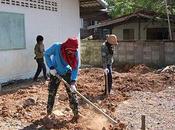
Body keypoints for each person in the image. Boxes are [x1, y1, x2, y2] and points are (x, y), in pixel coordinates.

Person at [44, 37, 80, 122]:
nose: (72, 53)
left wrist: (73, 82)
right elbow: (46, 54)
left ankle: (76, 114)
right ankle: (48, 113)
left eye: (73, 51)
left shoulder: (75, 52)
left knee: (72, 93)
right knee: (52, 92)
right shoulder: (57, 47)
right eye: (70, 51)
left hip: (67, 72)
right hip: (55, 72)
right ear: (66, 47)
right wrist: (51, 67)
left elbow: (75, 67)